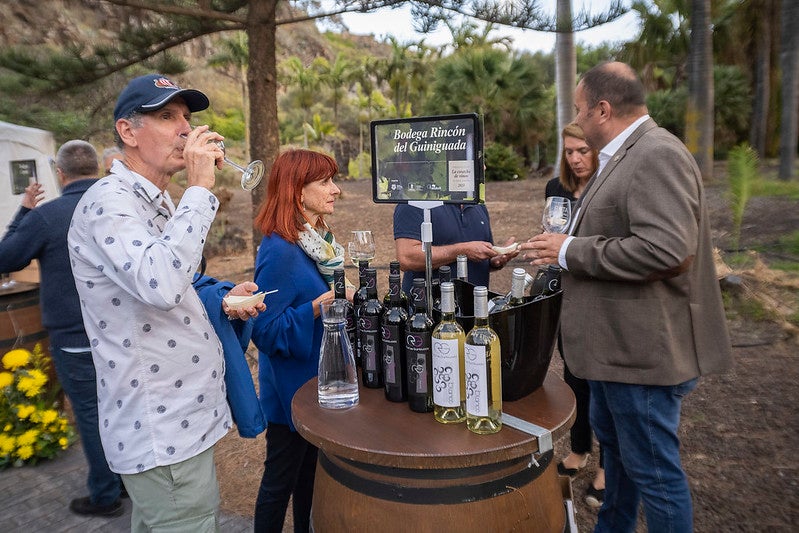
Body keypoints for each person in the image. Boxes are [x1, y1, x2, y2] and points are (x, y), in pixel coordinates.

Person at [521, 61, 732, 533]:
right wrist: (556, 250)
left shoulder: (656, 153)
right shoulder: (623, 156)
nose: (576, 117)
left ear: (602, 108)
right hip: (613, 356)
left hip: (641, 357)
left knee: (656, 477)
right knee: (620, 464)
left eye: (579, 108)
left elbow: (667, 250)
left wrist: (570, 250)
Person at [68, 73, 264, 532]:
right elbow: (158, 283)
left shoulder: (151, 202)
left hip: (181, 423)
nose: (184, 129)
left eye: (187, 117)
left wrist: (217, 301)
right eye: (166, 116)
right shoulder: (108, 203)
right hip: (163, 430)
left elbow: (165, 285)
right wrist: (199, 188)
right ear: (128, 132)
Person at [0, 140, 126, 518]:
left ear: (60, 173)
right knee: (120, 410)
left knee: (90, 415)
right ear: (96, 168)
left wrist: (23, 212)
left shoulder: (47, 216)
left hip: (75, 340)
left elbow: (6, 258)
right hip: (121, 334)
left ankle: (106, 496)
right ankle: (127, 481)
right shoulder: (118, 207)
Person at [250, 149, 349, 532]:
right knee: (280, 483)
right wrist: (313, 308)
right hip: (290, 398)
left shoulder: (317, 244)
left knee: (311, 478)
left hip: (317, 387)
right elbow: (264, 331)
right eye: (324, 182)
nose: (335, 189)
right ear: (296, 191)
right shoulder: (279, 250)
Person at [547, 123, 605, 509]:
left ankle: (607, 467)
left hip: (601, 295)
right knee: (574, 375)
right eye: (570, 151)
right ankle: (580, 449)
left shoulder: (610, 185)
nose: (576, 158)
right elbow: (553, 231)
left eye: (583, 150)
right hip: (567, 292)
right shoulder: (557, 188)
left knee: (604, 383)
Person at [393, 202, 518, 293]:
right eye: (478, 164)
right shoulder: (416, 203)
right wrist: (462, 251)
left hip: (474, 311)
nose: (484, 168)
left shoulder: (478, 205)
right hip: (428, 313)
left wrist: (495, 260)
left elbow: (479, 254)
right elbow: (406, 258)